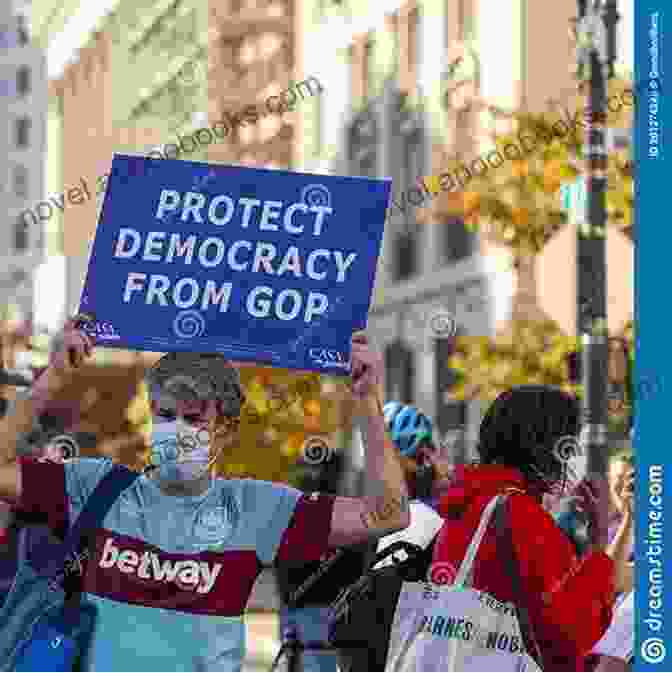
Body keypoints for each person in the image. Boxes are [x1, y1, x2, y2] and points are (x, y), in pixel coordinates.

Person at [0, 318, 409, 671]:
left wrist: (367, 401)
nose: (177, 431)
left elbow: (388, 514)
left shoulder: (255, 508)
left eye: (193, 418)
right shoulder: (94, 486)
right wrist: (52, 377)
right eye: (164, 415)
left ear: (225, 429)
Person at [431, 385, 615, 671]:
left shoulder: (467, 504)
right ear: (544, 448)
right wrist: (598, 545)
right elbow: (573, 635)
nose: (572, 458)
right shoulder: (522, 516)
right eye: (568, 446)